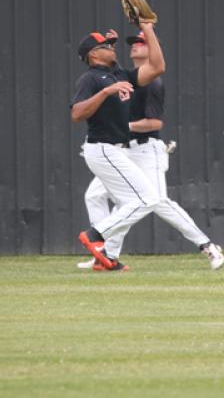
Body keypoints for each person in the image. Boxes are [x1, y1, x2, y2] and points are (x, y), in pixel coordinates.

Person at [78, 31, 224, 271]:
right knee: (98, 196)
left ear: (152, 47)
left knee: (154, 201)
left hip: (147, 149)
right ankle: (105, 255)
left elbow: (155, 123)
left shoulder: (151, 82)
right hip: (122, 150)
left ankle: (207, 245)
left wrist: (148, 29)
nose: (135, 45)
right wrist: (110, 44)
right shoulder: (120, 76)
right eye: (132, 43)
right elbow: (108, 68)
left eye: (142, 43)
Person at [71, 23, 165, 270]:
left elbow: (157, 67)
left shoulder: (120, 75)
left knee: (132, 202)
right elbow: (77, 114)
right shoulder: (90, 79)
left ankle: (108, 258)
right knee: (147, 199)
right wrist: (105, 92)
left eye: (112, 44)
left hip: (115, 150)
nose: (113, 47)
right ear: (93, 54)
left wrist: (148, 29)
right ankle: (95, 236)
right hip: (102, 149)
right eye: (106, 46)